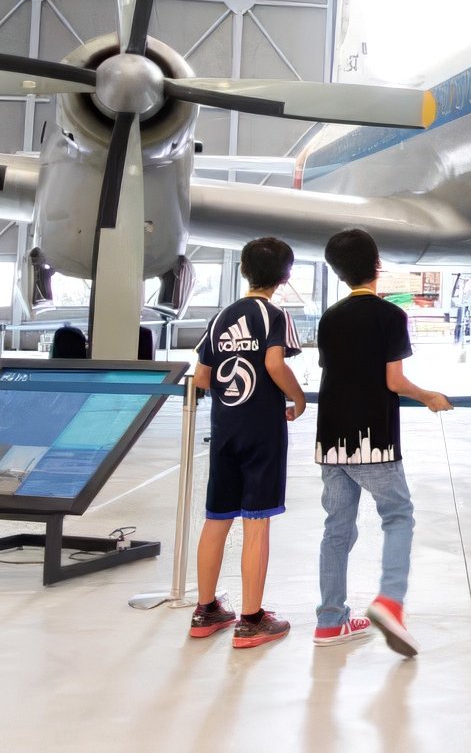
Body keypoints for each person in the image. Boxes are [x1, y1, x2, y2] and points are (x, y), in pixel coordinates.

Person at [313, 227, 453, 655]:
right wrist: (429, 395)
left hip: (330, 437)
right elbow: (393, 380)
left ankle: (330, 620)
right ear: (377, 265)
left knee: (336, 529)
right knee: (398, 515)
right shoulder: (391, 316)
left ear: (336, 272)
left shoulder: (330, 317)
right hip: (372, 438)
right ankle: (390, 600)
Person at [189, 237, 307, 649]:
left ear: (243, 271)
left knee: (217, 518)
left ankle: (206, 610)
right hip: (262, 430)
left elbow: (201, 378)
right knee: (256, 522)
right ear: (285, 276)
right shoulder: (274, 314)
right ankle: (252, 619)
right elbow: (274, 363)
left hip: (224, 429)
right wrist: (298, 397)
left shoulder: (221, 317)